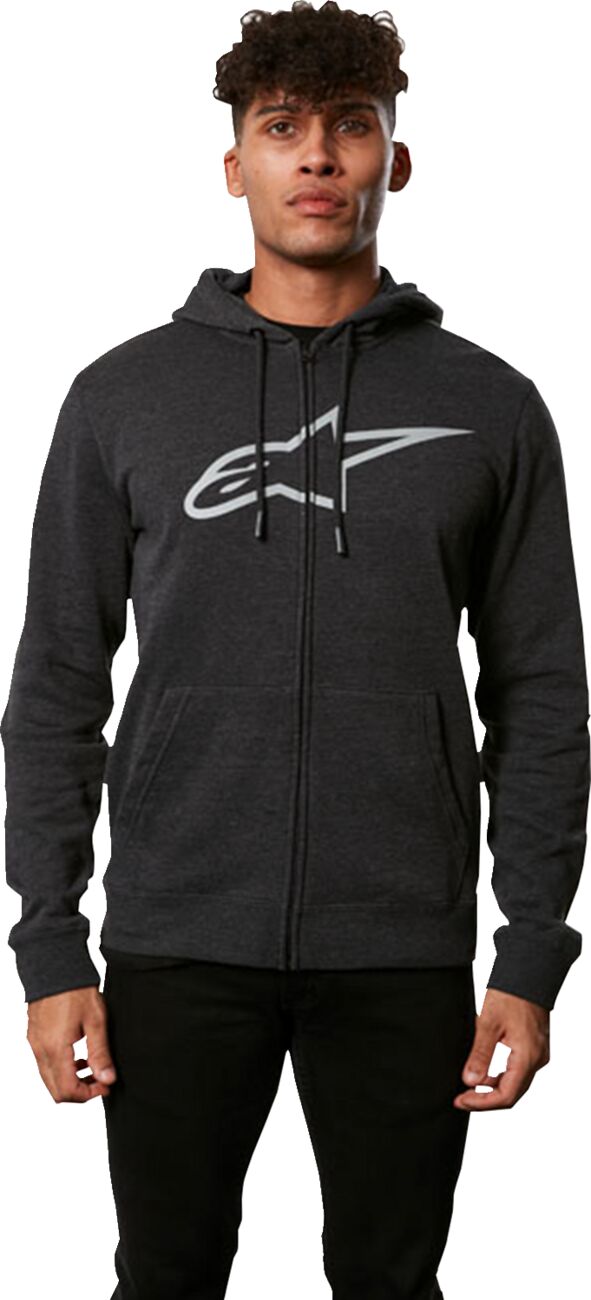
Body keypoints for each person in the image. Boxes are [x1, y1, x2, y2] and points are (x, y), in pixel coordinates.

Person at [2, 3, 589, 1297]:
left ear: (395, 159)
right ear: (236, 166)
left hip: (403, 947)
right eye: (282, 128)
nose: (317, 155)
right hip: (175, 936)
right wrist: (48, 945)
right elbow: (54, 687)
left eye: (350, 127)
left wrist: (532, 950)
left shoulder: (490, 408)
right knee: (165, 1278)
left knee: (391, 1283)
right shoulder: (123, 399)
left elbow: (544, 695)